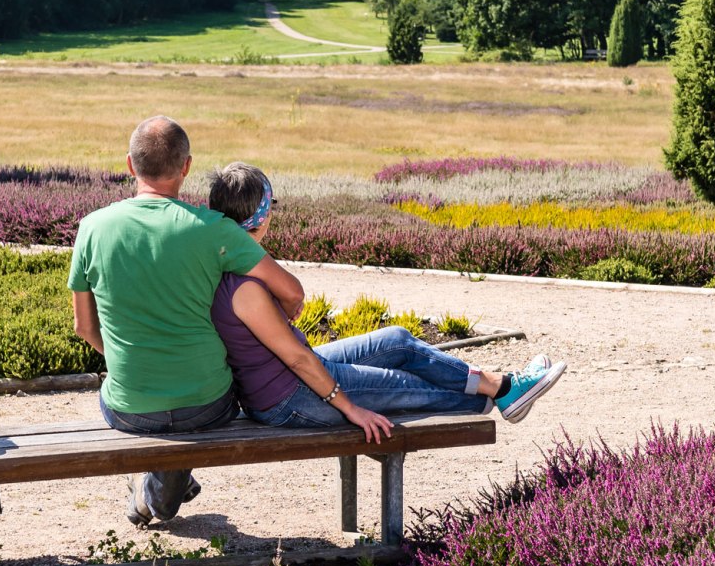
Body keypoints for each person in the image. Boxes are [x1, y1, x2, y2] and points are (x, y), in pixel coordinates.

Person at [205, 162, 566, 440]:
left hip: (285, 382)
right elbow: (297, 358)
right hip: (289, 398)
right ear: (263, 214)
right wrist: (350, 408)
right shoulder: (245, 285)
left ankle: (503, 389)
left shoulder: (231, 262)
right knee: (406, 385)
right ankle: (503, 391)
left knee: (397, 340)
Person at [67, 116, 309, 527]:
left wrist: (134, 360)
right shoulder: (214, 230)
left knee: (154, 412)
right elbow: (292, 291)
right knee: (184, 411)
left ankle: (161, 487)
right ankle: (161, 490)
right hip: (210, 405)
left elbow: (84, 328)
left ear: (130, 165)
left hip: (128, 407)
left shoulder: (92, 229)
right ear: (186, 167)